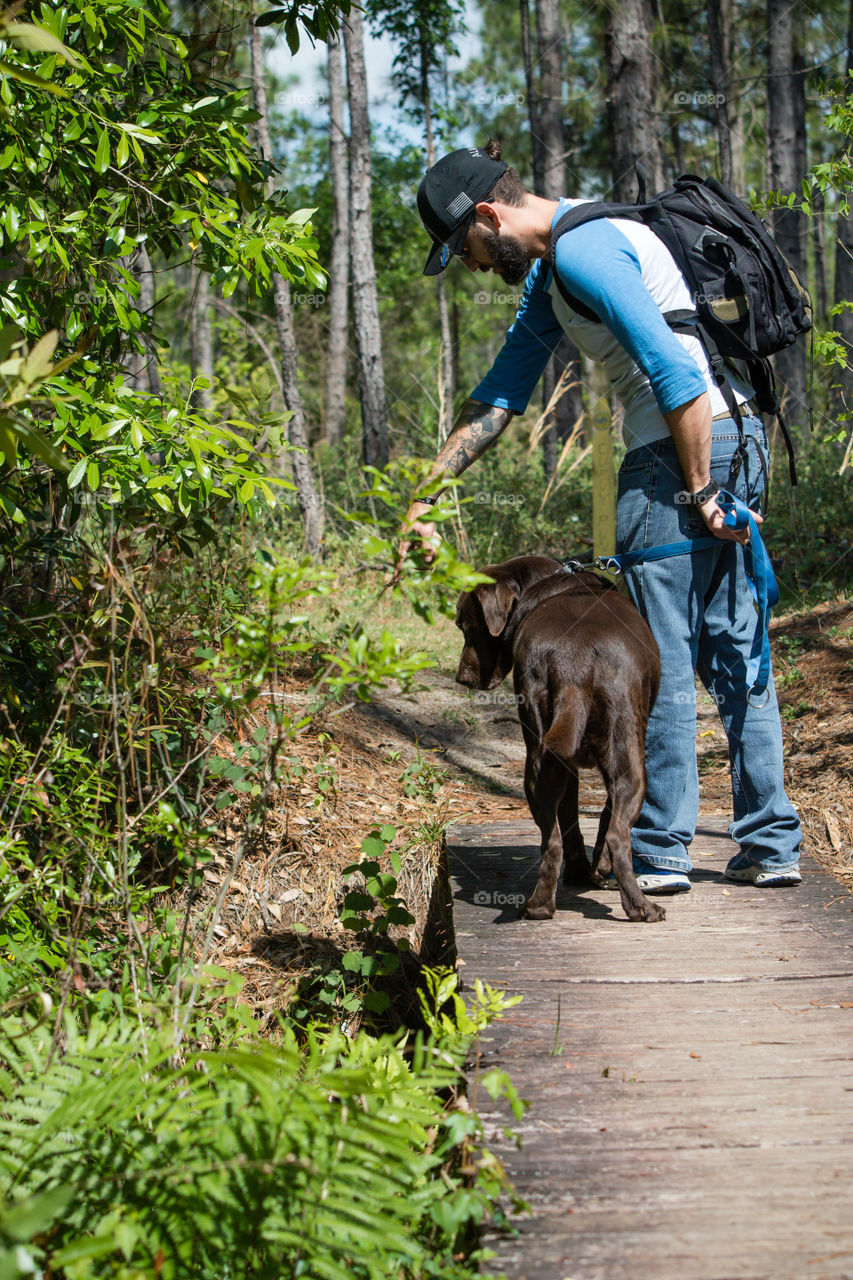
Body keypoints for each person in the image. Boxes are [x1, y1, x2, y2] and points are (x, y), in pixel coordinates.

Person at [399, 139, 802, 894]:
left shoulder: (583, 252)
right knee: (736, 648)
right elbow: (495, 401)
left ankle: (655, 850)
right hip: (733, 432)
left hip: (675, 452)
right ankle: (770, 840)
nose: (470, 265)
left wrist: (696, 488)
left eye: (463, 247)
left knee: (663, 659)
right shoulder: (561, 268)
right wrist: (423, 497)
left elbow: (674, 370)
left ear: (488, 214)